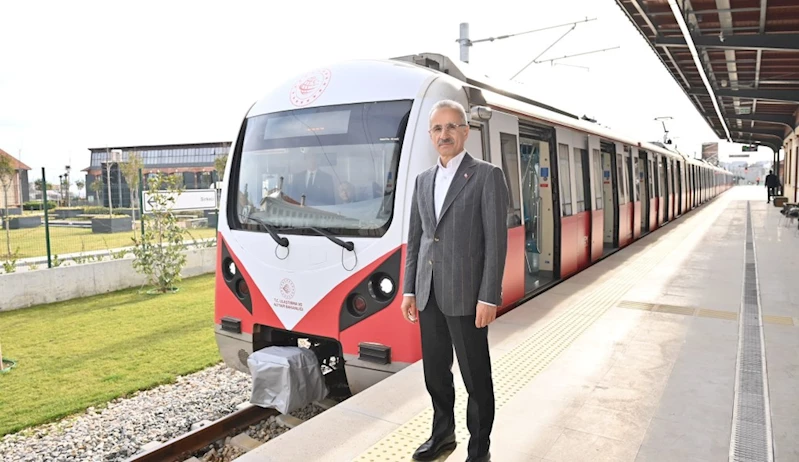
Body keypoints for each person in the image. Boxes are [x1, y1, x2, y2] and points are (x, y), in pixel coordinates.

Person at [401, 99, 509, 462]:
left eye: (451, 126)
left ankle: (479, 450)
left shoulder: (486, 176)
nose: (444, 134)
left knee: (475, 377)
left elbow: (496, 241)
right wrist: (410, 288)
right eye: (437, 128)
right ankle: (442, 435)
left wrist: (489, 296)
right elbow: (416, 239)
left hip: (467, 295)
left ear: (465, 131)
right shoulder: (422, 181)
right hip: (429, 293)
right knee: (435, 374)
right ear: (430, 135)